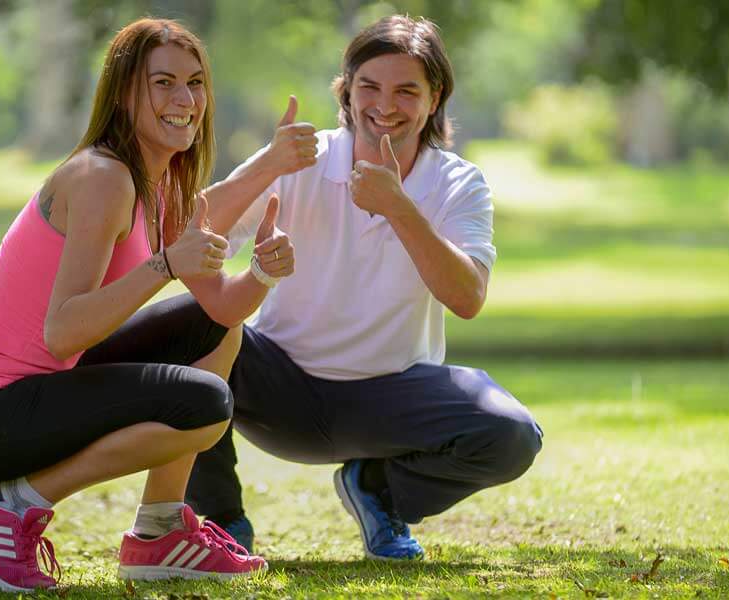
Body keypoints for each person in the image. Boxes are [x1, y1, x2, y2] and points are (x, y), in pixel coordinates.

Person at [0, 19, 290, 592]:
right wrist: (167, 265)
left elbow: (219, 297)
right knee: (205, 405)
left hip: (34, 395)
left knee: (218, 330)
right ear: (123, 94)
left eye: (194, 83)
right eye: (163, 83)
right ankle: (13, 505)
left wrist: (263, 269)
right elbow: (63, 333)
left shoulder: (148, 182)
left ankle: (160, 533)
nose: (185, 100)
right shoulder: (103, 178)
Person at [186, 15, 544, 560]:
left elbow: (468, 297)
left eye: (407, 90)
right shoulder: (301, 160)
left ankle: (378, 490)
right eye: (369, 87)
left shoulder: (457, 183)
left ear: (435, 97)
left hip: (393, 399)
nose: (385, 105)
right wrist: (264, 167)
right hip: (279, 386)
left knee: (513, 435)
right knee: (190, 326)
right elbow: (193, 233)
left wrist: (400, 207)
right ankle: (222, 522)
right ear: (346, 91)